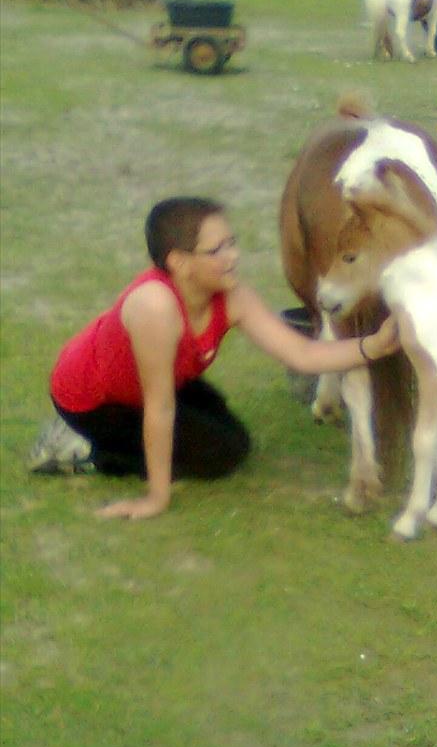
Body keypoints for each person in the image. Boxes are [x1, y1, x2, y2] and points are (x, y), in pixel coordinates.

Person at [31, 196, 399, 520]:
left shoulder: (232, 296)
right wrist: (156, 499)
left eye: (232, 243)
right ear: (179, 262)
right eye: (217, 250)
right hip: (92, 399)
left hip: (150, 382)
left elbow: (301, 353)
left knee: (226, 430)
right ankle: (82, 447)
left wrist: (374, 346)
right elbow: (158, 407)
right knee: (220, 455)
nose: (233, 256)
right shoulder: (155, 308)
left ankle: (104, 443)